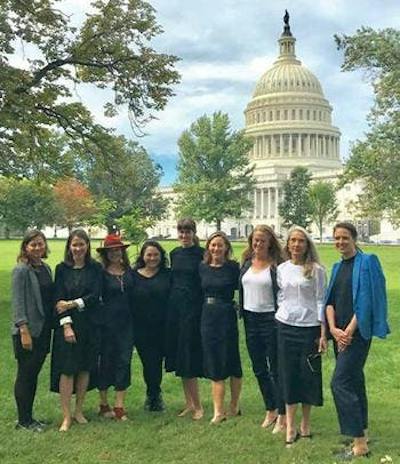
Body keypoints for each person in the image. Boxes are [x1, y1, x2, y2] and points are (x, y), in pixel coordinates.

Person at [325, 222, 390, 459]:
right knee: (353, 380)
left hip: (357, 333)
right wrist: (333, 329)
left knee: (339, 383)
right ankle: (363, 431)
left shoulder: (367, 261)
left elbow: (368, 301)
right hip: (338, 333)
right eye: (337, 238)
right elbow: (329, 301)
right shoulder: (336, 267)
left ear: (354, 238)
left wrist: (349, 332)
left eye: (344, 238)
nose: (340, 242)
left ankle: (359, 442)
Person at [275, 226, 327, 447]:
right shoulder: (282, 268)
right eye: (292, 241)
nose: (296, 245)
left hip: (309, 329)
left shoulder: (316, 270)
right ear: (288, 245)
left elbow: (320, 301)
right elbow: (281, 295)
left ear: (307, 245)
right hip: (286, 326)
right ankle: (290, 425)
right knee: (288, 375)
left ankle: (305, 424)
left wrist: (323, 333)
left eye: (301, 241)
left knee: (308, 376)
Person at [50, 229, 102, 432]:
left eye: (82, 244)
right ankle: (66, 415)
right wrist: (67, 325)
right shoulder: (61, 269)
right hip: (68, 326)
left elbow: (95, 296)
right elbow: (57, 299)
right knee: (67, 369)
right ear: (69, 247)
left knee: (84, 367)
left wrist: (71, 303)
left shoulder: (95, 268)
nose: (78, 248)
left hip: (89, 324)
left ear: (87, 246)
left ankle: (79, 411)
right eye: (74, 244)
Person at [239, 225, 286, 433]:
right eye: (255, 240)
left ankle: (283, 414)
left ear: (270, 243)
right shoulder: (246, 263)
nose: (258, 244)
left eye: (262, 241)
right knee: (259, 368)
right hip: (250, 320)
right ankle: (271, 408)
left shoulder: (277, 266)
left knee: (276, 368)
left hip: (271, 320)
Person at [11, 230, 54, 432]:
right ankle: (24, 420)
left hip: (43, 330)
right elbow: (18, 304)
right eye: (33, 244)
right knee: (25, 374)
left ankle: (29, 417)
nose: (37, 248)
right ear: (25, 247)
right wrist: (24, 330)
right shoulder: (21, 270)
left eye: (40, 244)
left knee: (33, 373)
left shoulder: (45, 268)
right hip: (27, 331)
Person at [199, 231, 242, 424]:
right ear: (208, 247)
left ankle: (234, 405)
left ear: (226, 248)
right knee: (214, 359)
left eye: (220, 245)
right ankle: (218, 410)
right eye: (213, 245)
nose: (216, 248)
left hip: (226, 314)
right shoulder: (202, 267)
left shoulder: (233, 268)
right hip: (208, 315)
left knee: (231, 358)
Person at [165, 219, 204, 420]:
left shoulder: (201, 254)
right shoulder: (175, 253)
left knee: (189, 356)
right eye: (181, 231)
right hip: (176, 308)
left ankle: (198, 406)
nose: (184, 235)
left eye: (187, 231)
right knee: (180, 355)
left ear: (193, 233)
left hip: (193, 308)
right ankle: (188, 403)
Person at [97, 234, 134, 421]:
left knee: (124, 361)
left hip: (126, 324)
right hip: (106, 324)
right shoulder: (101, 273)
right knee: (106, 361)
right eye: (111, 251)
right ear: (106, 253)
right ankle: (104, 404)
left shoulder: (129, 271)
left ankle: (119, 405)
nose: (115, 253)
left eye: (118, 250)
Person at [131, 241, 170, 412]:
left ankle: (155, 394)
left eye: (156, 255)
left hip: (164, 326)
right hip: (141, 328)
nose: (152, 258)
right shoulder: (133, 275)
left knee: (158, 362)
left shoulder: (168, 275)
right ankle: (153, 395)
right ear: (142, 256)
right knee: (149, 362)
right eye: (149, 255)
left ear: (161, 257)